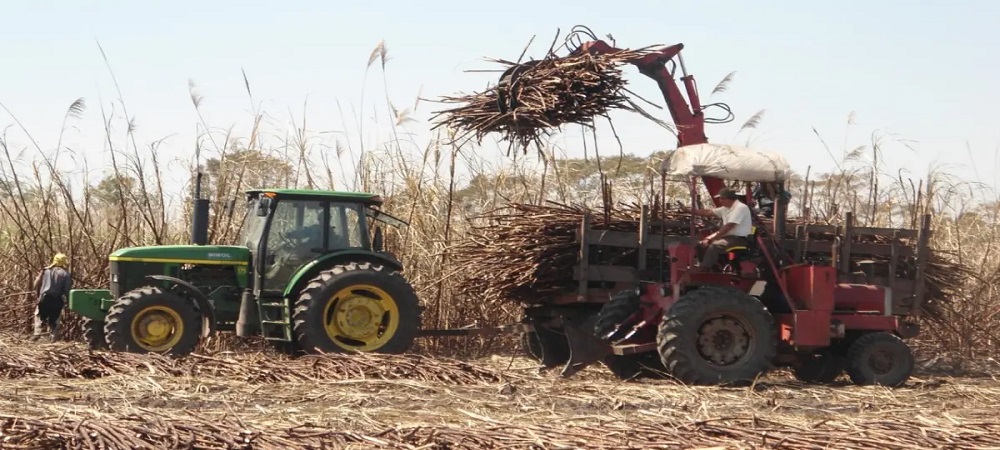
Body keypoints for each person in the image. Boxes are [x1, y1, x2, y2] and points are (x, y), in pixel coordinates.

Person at [681, 188, 753, 271]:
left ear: (728, 198)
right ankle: (708, 265)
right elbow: (708, 212)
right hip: (727, 238)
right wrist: (689, 210)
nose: (719, 201)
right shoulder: (725, 208)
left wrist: (711, 237)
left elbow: (728, 226)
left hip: (739, 239)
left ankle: (704, 269)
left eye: (721, 198)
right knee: (700, 245)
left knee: (714, 246)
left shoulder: (741, 208)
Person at [31, 253, 72, 342]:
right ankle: (53, 338)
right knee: (55, 319)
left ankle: (37, 334)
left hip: (44, 298)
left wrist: (38, 296)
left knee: (39, 315)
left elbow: (35, 284)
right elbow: (67, 290)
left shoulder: (45, 271)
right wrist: (69, 302)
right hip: (57, 299)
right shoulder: (65, 274)